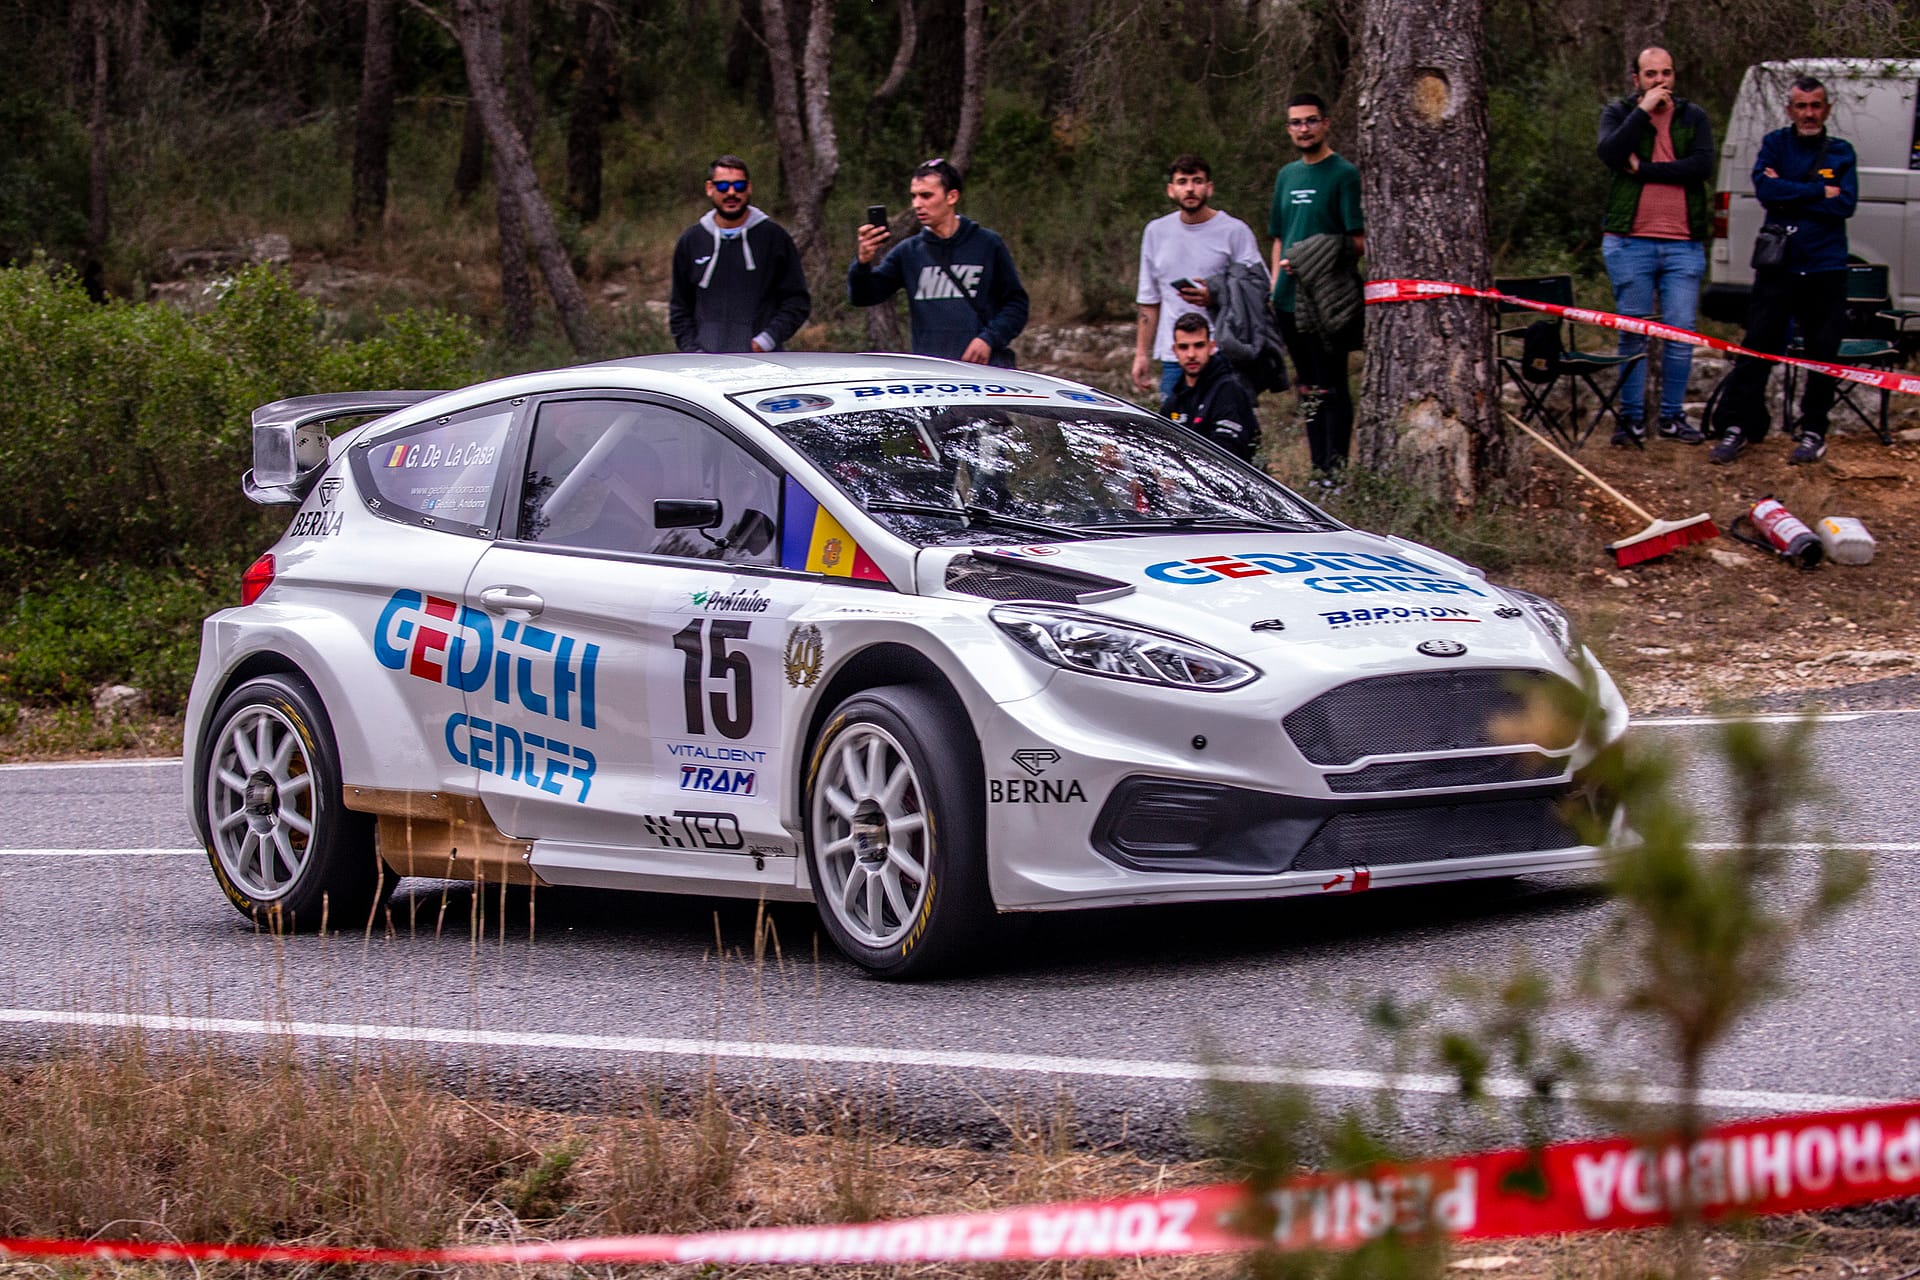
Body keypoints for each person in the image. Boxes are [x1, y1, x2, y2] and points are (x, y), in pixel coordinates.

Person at [1709, 76, 1858, 466]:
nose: (1808, 113)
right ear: (1790, 109)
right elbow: (1766, 192)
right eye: (1801, 106)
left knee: (1822, 352)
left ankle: (1812, 430)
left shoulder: (1841, 152)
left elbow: (1844, 206)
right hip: (1779, 266)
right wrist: (1815, 192)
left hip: (1825, 267)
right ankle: (1740, 425)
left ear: (1826, 108)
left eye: (1815, 105)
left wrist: (1789, 191)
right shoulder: (1775, 144)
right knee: (1758, 345)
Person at [1596, 47, 1714, 447]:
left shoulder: (1692, 116)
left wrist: (1645, 170)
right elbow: (1611, 154)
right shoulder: (1618, 113)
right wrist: (1642, 111)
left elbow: (1700, 167)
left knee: (1681, 334)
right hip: (1630, 241)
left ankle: (1671, 417)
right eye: (1650, 75)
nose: (1659, 81)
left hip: (1683, 243)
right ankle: (1630, 420)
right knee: (1633, 332)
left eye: (1666, 73)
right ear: (1636, 79)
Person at [848, 158, 1028, 365]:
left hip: (985, 371)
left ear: (952, 196)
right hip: (933, 373)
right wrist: (862, 261)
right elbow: (863, 297)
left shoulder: (987, 244)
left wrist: (989, 339)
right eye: (914, 196)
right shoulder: (909, 252)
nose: (917, 204)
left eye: (926, 196)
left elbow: (1017, 305)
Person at [1269, 92, 1365, 474]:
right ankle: (1317, 467)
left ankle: (1336, 470)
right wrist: (1276, 286)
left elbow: (1357, 241)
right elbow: (1278, 236)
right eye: (1296, 123)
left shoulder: (1344, 175)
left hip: (1327, 302)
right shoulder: (1287, 175)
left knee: (1332, 385)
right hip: (1288, 301)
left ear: (1325, 124)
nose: (1303, 129)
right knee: (1306, 388)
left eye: (1310, 121)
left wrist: (1315, 255)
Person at [1131, 155, 1268, 402]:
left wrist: (1216, 294)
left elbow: (1258, 286)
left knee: (1226, 429)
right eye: (1182, 182)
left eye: (1197, 181)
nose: (1191, 188)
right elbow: (1149, 300)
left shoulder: (1234, 231)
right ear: (1171, 190)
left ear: (1209, 187)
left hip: (1223, 349)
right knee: (1173, 431)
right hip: (1175, 354)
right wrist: (1141, 354)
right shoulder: (1156, 232)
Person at [668, 156, 812, 354]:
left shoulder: (774, 237)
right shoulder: (691, 241)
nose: (731, 192)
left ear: (749, 187)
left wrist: (765, 341)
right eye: (723, 186)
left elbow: (797, 302)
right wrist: (694, 352)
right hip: (704, 366)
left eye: (739, 185)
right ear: (710, 188)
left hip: (761, 364)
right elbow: (680, 308)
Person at [1162, 312, 1260, 461]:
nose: (1191, 354)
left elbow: (1226, 454)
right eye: (1183, 347)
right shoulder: (1174, 400)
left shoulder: (1229, 391)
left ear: (1211, 347)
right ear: (1174, 351)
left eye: (1199, 345)